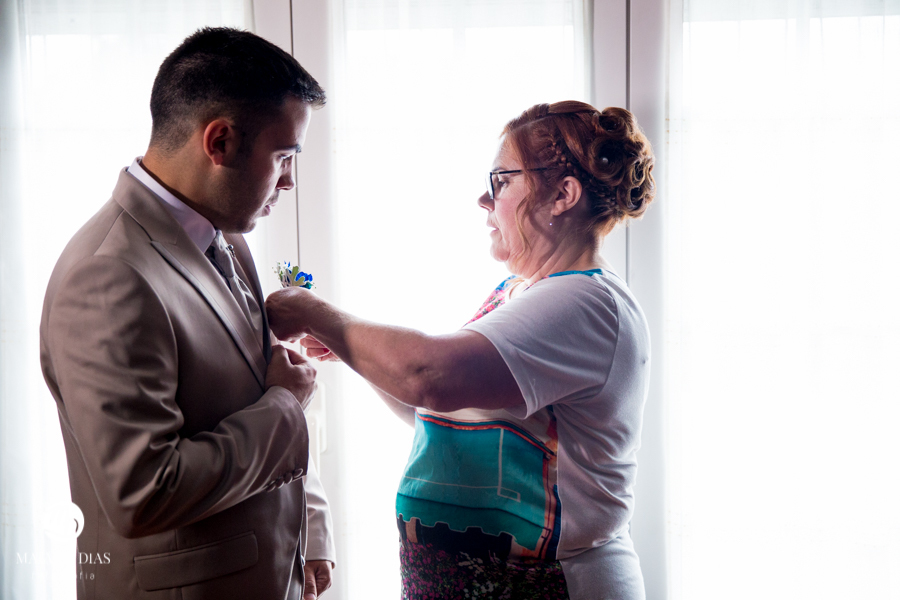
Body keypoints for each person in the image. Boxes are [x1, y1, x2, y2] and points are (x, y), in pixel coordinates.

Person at [266, 101, 656, 599]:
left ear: (563, 194)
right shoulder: (518, 293)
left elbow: (430, 374)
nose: (483, 198)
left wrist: (314, 312)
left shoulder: (584, 300)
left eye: (501, 180)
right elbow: (436, 406)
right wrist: (346, 350)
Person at [39, 28, 335, 600]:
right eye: (283, 157)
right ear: (219, 142)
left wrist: (309, 531)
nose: (291, 180)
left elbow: (252, 397)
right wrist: (284, 403)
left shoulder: (226, 236)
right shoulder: (107, 275)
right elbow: (144, 493)